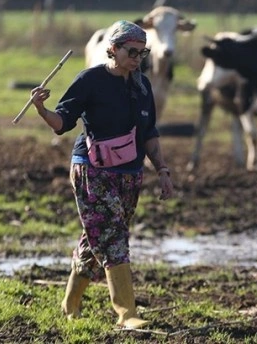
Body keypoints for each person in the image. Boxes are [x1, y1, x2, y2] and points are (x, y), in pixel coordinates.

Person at [29, 20, 174, 329]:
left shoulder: (142, 85)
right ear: (113, 49)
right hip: (92, 170)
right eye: (131, 51)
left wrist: (161, 169)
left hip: (130, 172)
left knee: (97, 238)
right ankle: (127, 313)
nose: (137, 58)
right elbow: (61, 123)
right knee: (113, 236)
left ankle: (70, 306)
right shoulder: (90, 80)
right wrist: (42, 110)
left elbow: (149, 132)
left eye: (142, 52)